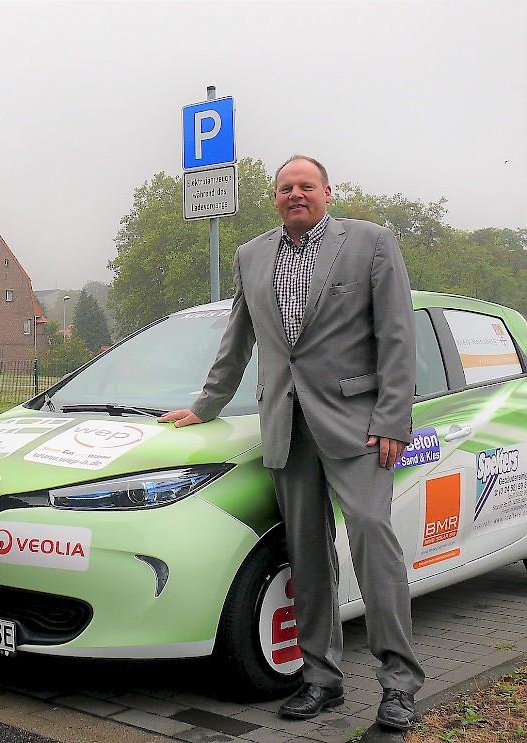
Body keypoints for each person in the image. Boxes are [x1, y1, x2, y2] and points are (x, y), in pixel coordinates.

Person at [158, 155, 423, 731]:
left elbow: (397, 335)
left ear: (328, 191)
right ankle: (321, 679)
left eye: (306, 186)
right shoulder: (251, 256)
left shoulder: (372, 244)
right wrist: (205, 405)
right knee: (306, 556)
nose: (295, 194)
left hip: (359, 426)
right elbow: (237, 340)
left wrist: (392, 420)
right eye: (285, 188)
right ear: (274, 197)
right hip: (287, 426)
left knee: (374, 542)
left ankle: (399, 682)